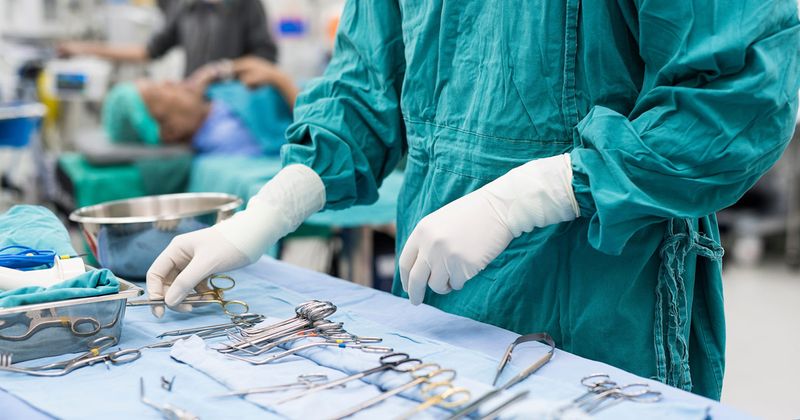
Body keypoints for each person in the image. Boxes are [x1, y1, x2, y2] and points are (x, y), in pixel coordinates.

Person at [146, 0, 800, 400]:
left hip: (605, 309)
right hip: (440, 310)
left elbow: (735, 96)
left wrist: (533, 193)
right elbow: (364, 85)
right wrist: (266, 214)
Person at [102, 57, 296, 156]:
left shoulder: (209, 101)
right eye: (159, 93)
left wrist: (215, 70)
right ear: (171, 131)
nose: (169, 82)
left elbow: (253, 64)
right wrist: (281, 80)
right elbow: (316, 135)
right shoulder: (227, 136)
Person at [59, 0, 277, 76]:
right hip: (192, 104)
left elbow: (264, 61)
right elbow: (147, 51)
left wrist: (217, 72)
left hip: (232, 106)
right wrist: (84, 48)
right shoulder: (186, 8)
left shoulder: (246, 5)